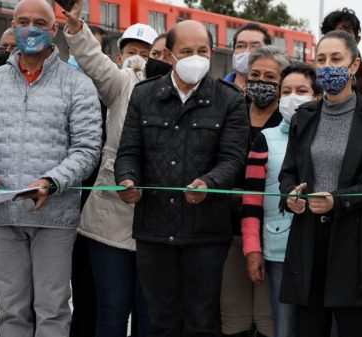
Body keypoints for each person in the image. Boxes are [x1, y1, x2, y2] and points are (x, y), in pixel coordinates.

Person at [0, 0, 102, 336]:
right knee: (10, 312)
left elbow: (87, 149)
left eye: (40, 23)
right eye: (23, 21)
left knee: (52, 311)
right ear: (12, 24)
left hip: (54, 217)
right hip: (5, 214)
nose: (30, 29)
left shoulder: (77, 85)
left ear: (54, 30)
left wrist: (51, 181)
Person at [114, 20, 249, 337]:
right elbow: (129, 151)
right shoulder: (144, 95)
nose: (195, 57)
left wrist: (209, 183)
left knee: (202, 321)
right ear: (170, 55)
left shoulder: (229, 100)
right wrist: (128, 180)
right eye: (186, 51)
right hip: (154, 230)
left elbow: (233, 159)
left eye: (202, 50)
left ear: (213, 53)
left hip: (206, 232)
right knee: (160, 321)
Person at [278, 30, 362, 337]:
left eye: (336, 59)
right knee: (309, 326)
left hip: (355, 240)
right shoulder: (303, 115)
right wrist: (290, 196)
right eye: (321, 60)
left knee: (355, 326)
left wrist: (338, 199)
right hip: (308, 239)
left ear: (354, 65)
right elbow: (289, 172)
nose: (328, 66)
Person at [63, 1, 158, 336]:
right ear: (119, 56)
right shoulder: (119, 84)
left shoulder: (172, 92)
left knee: (149, 317)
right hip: (108, 219)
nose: (140, 58)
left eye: (148, 52)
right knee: (112, 312)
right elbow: (93, 59)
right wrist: (77, 29)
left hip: (156, 224)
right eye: (132, 50)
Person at [242, 62, 322, 337]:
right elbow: (251, 199)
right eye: (285, 90)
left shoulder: (330, 137)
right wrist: (252, 249)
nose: (292, 97)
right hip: (279, 249)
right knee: (284, 327)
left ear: (317, 96)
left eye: (301, 90)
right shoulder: (265, 139)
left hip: (322, 248)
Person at [221, 46, 289, 337]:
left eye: (270, 77)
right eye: (255, 75)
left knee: (268, 318)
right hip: (228, 231)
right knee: (232, 314)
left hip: (271, 237)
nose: (261, 82)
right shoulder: (231, 117)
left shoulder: (286, 125)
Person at [321, 8, 362, 94]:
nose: (339, 40)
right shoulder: (311, 73)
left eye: (346, 33)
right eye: (333, 34)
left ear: (357, 39)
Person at [224, 22, 272, 91]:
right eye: (240, 46)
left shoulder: (279, 95)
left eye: (255, 46)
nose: (247, 52)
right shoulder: (216, 92)